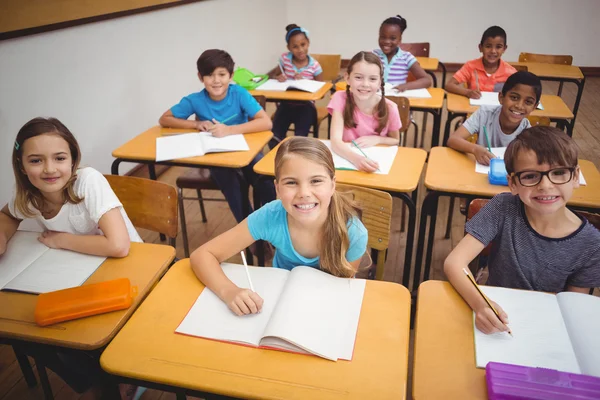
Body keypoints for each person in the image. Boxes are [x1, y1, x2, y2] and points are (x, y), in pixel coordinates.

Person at [444, 126, 600, 334]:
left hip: (548, 330)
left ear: (575, 177)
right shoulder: (503, 207)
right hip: (497, 317)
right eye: (530, 176)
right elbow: (454, 263)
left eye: (559, 173)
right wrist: (481, 304)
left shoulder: (591, 244)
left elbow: (574, 309)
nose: (545, 185)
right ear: (513, 183)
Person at [191, 137, 368, 316]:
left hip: (324, 308)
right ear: (277, 188)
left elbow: (343, 289)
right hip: (278, 302)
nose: (304, 193)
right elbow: (202, 256)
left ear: (332, 185)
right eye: (291, 182)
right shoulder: (271, 216)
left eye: (316, 181)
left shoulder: (353, 232)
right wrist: (228, 291)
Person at [159, 49, 275, 223]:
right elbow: (165, 119)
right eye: (210, 75)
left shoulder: (239, 94)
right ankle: (251, 232)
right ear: (200, 77)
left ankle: (273, 224)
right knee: (232, 183)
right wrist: (196, 124)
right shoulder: (196, 100)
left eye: (222, 74)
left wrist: (228, 130)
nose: (216, 81)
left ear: (231, 75)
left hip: (246, 151)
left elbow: (266, 122)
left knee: (264, 178)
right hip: (217, 158)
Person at [0, 117, 141, 258]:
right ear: (22, 166)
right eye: (36, 161)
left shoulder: (88, 180)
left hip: (136, 262)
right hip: (86, 265)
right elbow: (7, 215)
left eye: (60, 158)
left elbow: (118, 246)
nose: (49, 169)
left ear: (72, 160)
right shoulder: (29, 194)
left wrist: (61, 240)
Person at [328, 51, 402, 173]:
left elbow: (395, 140)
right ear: (347, 78)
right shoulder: (339, 99)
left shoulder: (390, 108)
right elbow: (335, 141)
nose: (365, 84)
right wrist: (357, 159)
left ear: (379, 82)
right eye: (358, 77)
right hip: (347, 161)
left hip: (376, 165)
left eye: (372, 79)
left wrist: (377, 139)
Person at [447, 71, 542, 166]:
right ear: (501, 97)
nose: (519, 106)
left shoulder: (527, 131)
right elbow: (453, 139)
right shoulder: (485, 114)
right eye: (514, 97)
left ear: (535, 106)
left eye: (528, 102)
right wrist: (475, 149)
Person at [271, 24, 323, 145]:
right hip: (285, 105)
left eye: (303, 45)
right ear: (288, 47)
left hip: (306, 107)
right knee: (274, 137)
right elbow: (272, 76)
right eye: (295, 46)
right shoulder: (284, 59)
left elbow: (322, 89)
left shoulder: (314, 66)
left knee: (299, 140)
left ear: (308, 42)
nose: (300, 50)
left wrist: (305, 82)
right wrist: (278, 77)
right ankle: (278, 157)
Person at [446, 26, 517, 99]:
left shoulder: (510, 72)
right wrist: (468, 92)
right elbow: (449, 85)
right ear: (480, 48)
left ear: (504, 49)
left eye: (498, 47)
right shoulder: (471, 66)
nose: (493, 51)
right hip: (474, 109)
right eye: (488, 46)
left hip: (498, 109)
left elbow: (518, 94)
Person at [373, 15, 431, 90]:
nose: (387, 41)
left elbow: (427, 80)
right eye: (383, 37)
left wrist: (405, 86)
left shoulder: (406, 57)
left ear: (400, 39)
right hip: (376, 98)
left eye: (393, 38)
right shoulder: (373, 56)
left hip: (396, 98)